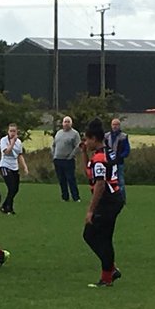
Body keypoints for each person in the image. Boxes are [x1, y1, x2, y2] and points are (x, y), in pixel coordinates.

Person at [81, 119, 124, 287]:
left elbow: (99, 184)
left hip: (107, 201)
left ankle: (109, 272)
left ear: (94, 138)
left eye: (86, 139)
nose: (85, 142)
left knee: (91, 235)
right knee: (104, 237)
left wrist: (91, 210)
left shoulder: (99, 158)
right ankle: (108, 273)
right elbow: (89, 174)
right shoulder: (107, 152)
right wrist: (84, 153)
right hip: (114, 199)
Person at [0, 123, 28, 214]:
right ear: (8, 131)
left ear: (16, 132)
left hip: (14, 167)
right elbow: (7, 152)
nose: (12, 133)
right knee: (11, 188)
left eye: (14, 131)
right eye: (10, 131)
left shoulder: (19, 142)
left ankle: (4, 206)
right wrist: (12, 143)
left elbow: (19, 155)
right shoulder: (4, 140)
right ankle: (9, 208)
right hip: (5, 165)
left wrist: (25, 167)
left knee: (16, 189)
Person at [52, 116, 82, 201]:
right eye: (65, 122)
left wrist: (71, 156)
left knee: (71, 179)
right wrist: (54, 155)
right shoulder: (59, 133)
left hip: (68, 160)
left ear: (71, 123)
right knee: (61, 180)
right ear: (62, 123)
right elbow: (54, 145)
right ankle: (65, 197)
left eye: (68, 122)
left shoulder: (75, 134)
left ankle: (76, 197)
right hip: (58, 160)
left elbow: (78, 146)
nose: (66, 123)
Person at [106, 117, 131, 198]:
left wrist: (120, 156)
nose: (115, 126)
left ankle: (122, 198)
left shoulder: (123, 136)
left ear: (119, 126)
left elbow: (127, 150)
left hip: (119, 162)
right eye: (113, 124)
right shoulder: (106, 136)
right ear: (111, 125)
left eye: (116, 124)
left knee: (120, 181)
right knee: (108, 180)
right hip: (108, 162)